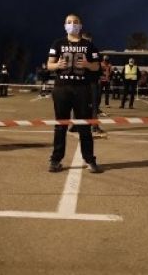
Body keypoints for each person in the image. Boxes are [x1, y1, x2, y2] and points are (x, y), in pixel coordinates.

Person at [46, 13, 102, 173]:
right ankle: (55, 160)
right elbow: (49, 65)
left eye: (75, 22)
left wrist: (87, 64)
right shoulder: (57, 43)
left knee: (84, 126)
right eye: (69, 22)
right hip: (62, 89)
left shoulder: (89, 45)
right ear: (65, 25)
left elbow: (97, 67)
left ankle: (90, 160)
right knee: (60, 125)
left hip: (82, 89)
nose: (72, 24)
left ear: (80, 25)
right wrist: (57, 65)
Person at [81, 32, 106, 136]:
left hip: (81, 82)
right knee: (94, 106)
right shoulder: (93, 49)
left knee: (80, 105)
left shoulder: (77, 48)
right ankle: (94, 127)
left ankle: (76, 126)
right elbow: (97, 67)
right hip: (91, 82)